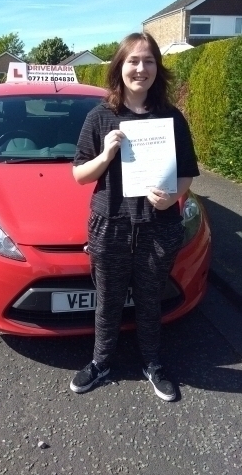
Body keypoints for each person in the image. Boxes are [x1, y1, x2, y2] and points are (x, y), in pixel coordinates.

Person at [69, 32, 200, 402]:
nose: (141, 69)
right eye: (133, 61)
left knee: (149, 298)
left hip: (159, 225)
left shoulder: (171, 118)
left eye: (149, 61)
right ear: (120, 67)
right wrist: (106, 154)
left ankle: (153, 363)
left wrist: (172, 197)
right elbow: (80, 175)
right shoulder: (100, 118)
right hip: (110, 225)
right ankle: (101, 362)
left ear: (158, 69)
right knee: (108, 298)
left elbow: (187, 171)